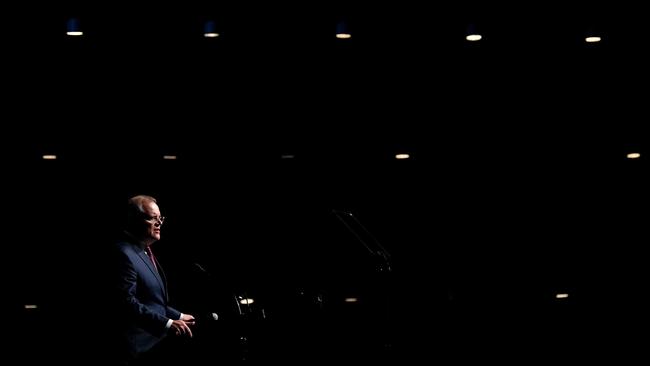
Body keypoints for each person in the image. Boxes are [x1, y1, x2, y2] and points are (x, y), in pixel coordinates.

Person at [108, 194, 196, 365]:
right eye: (152, 218)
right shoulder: (123, 253)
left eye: (160, 218)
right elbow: (125, 302)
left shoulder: (143, 251)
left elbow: (150, 300)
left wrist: (178, 315)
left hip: (153, 346)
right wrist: (168, 323)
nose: (159, 223)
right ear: (133, 220)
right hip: (136, 351)